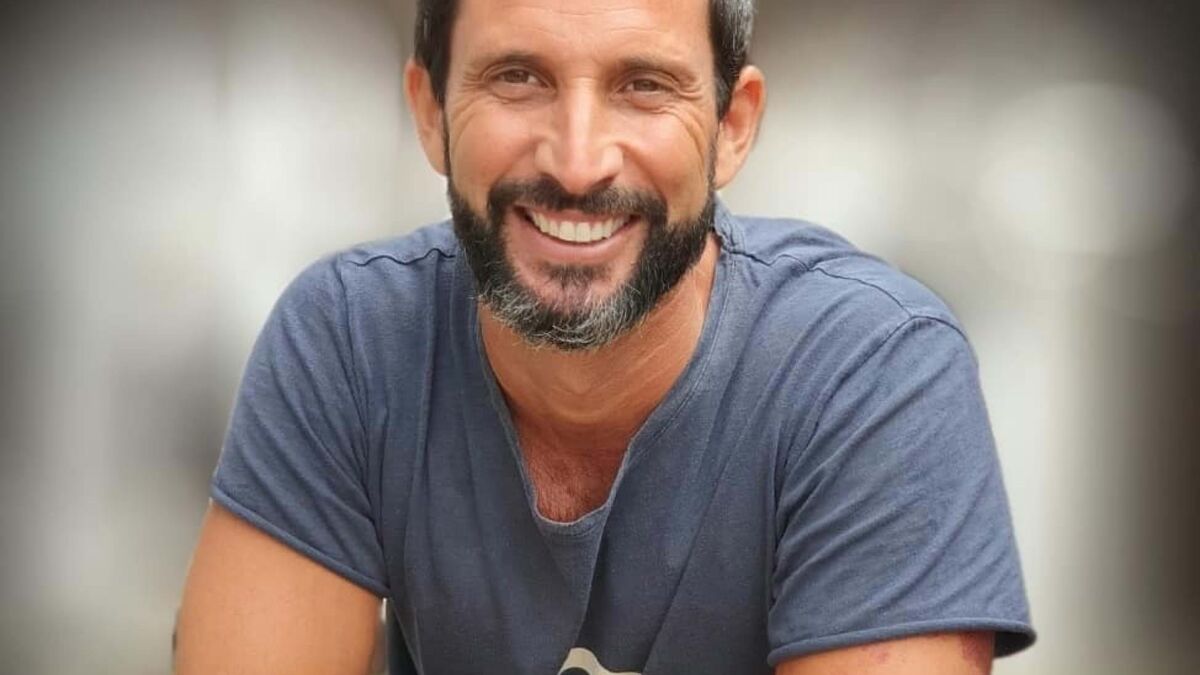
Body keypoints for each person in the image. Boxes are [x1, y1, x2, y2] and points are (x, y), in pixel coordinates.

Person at [175, 0, 1035, 672]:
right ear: (431, 111)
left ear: (733, 126)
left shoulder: (872, 374)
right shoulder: (350, 342)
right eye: (518, 77)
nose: (578, 162)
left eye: (644, 85)